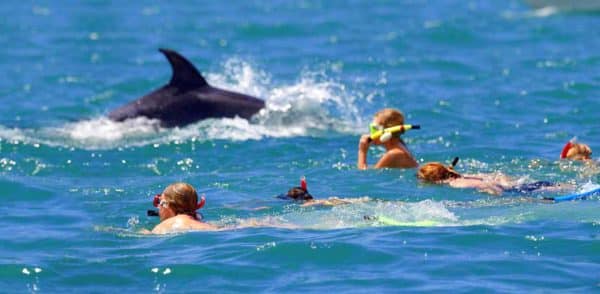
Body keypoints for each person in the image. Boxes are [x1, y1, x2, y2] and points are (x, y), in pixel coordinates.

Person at [416, 158, 569, 196]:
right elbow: (496, 175)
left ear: (434, 180)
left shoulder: (455, 185)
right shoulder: (462, 176)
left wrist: (500, 196)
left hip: (517, 192)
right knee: (564, 186)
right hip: (519, 186)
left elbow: (486, 187)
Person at [142, 182, 218, 234]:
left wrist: (145, 232)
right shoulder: (206, 225)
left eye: (159, 202)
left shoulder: (163, 226)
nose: (158, 208)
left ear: (165, 204)